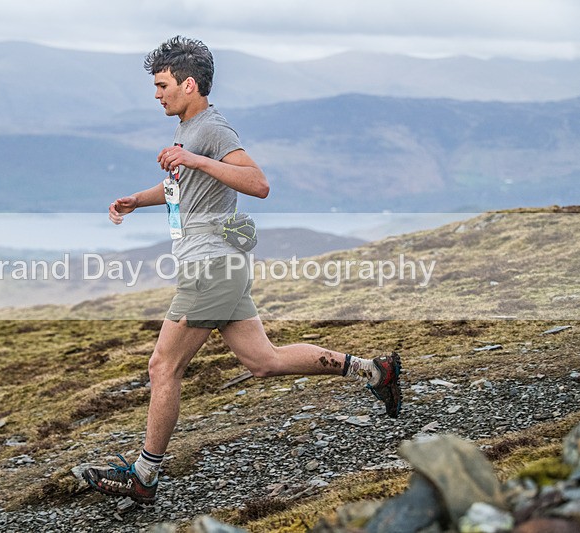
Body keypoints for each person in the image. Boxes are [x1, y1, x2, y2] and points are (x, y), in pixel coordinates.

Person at [83, 36, 401, 504]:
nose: (156, 94)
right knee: (263, 361)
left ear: (188, 84)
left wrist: (192, 158)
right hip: (221, 265)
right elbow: (186, 182)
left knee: (162, 366)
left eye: (162, 84)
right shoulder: (189, 129)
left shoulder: (211, 129)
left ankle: (144, 475)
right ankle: (375, 371)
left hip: (212, 267)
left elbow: (258, 183)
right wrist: (139, 199)